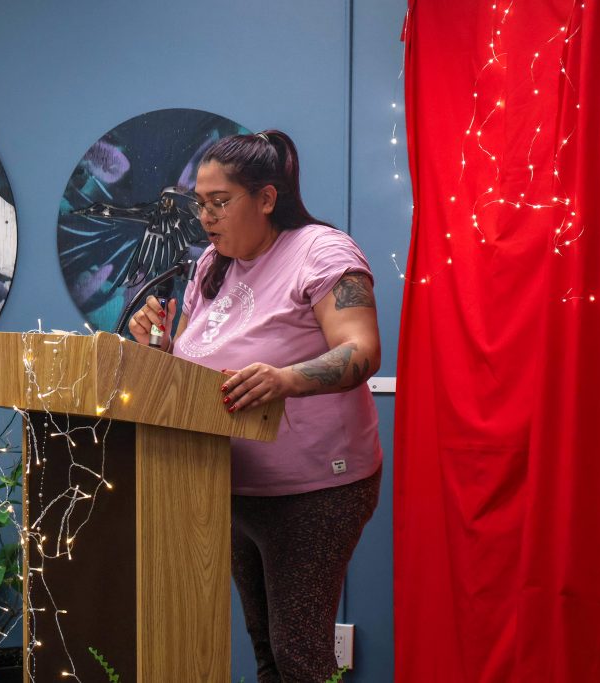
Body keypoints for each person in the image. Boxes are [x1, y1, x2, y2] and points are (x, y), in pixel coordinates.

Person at [128, 130, 382, 683]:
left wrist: (286, 378)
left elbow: (362, 352)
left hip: (316, 490)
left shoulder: (322, 252)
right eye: (200, 204)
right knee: (266, 649)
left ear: (267, 198)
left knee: (300, 656)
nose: (205, 218)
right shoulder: (210, 267)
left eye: (220, 203)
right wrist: (163, 344)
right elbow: (202, 365)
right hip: (231, 481)